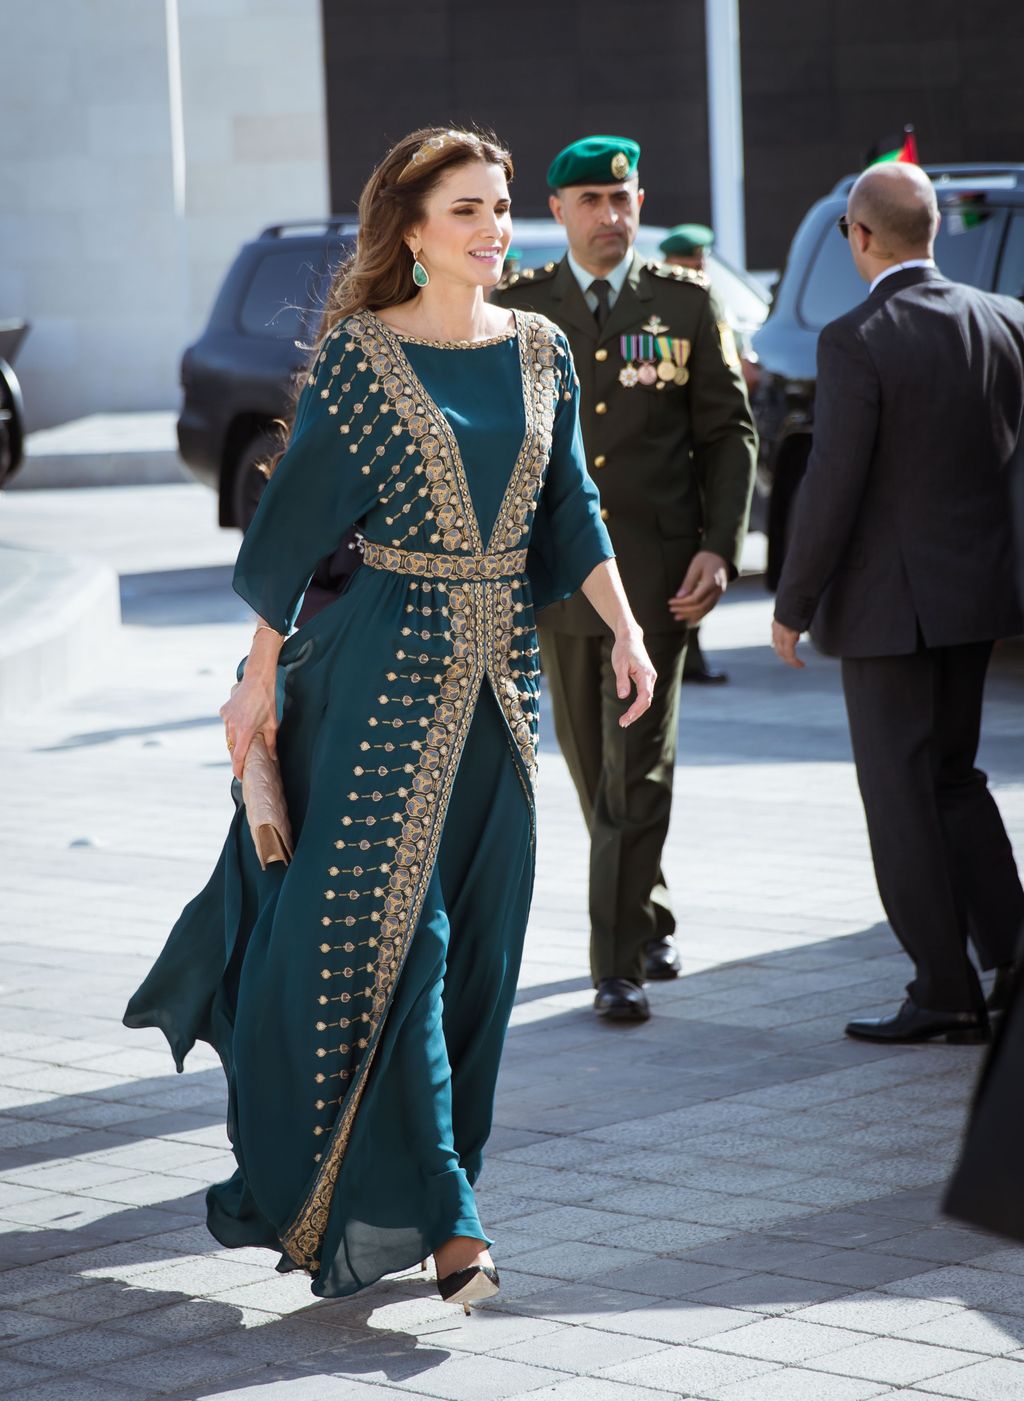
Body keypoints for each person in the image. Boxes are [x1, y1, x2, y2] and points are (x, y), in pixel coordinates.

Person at [123, 127, 655, 1308]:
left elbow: (569, 504)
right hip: (374, 680)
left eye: (500, 205)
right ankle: (454, 1220)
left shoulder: (542, 350)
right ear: (410, 232)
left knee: (483, 954)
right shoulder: (367, 357)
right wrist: (258, 682)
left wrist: (623, 627)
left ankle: (420, 1187)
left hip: (503, 694)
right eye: (464, 209)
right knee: (405, 949)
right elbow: (292, 526)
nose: (491, 227)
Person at [493, 136, 757, 1022]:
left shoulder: (683, 303)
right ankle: (647, 911)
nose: (612, 217)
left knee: (635, 770)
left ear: (640, 201)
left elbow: (730, 435)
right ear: (558, 210)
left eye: (624, 199)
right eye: (592, 202)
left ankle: (617, 965)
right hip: (561, 583)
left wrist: (721, 546)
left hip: (657, 580)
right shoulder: (520, 307)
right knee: (595, 768)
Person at [772, 160, 1024, 1045]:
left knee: (902, 799)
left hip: (891, 611)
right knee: (956, 779)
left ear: (859, 237)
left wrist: (792, 602)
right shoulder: (1005, 320)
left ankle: (946, 989)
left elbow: (833, 483)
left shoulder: (856, 337)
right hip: (980, 598)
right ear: (936, 234)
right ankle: (1013, 957)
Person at [660, 224, 729, 686]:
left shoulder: (703, 303)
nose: (699, 269)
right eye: (691, 261)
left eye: (701, 261)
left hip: (694, 462)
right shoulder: (661, 309)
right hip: (668, 466)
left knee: (692, 560)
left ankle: (693, 653)